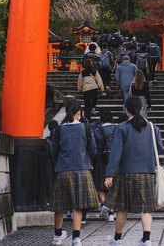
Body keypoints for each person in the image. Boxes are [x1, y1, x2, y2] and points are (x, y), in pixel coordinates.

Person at [104, 96, 164, 246]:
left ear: (126, 110)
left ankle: (117, 239)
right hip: (147, 172)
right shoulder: (152, 127)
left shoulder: (122, 127)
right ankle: (146, 239)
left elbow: (116, 152)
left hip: (127, 173)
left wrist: (109, 174)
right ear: (142, 109)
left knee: (122, 208)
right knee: (146, 209)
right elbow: (160, 147)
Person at [49, 99, 99, 246]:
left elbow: (53, 151)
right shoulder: (86, 128)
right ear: (80, 113)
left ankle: (57, 235)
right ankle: (76, 238)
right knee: (78, 205)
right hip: (82, 169)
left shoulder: (59, 129)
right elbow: (93, 149)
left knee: (59, 206)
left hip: (63, 169)